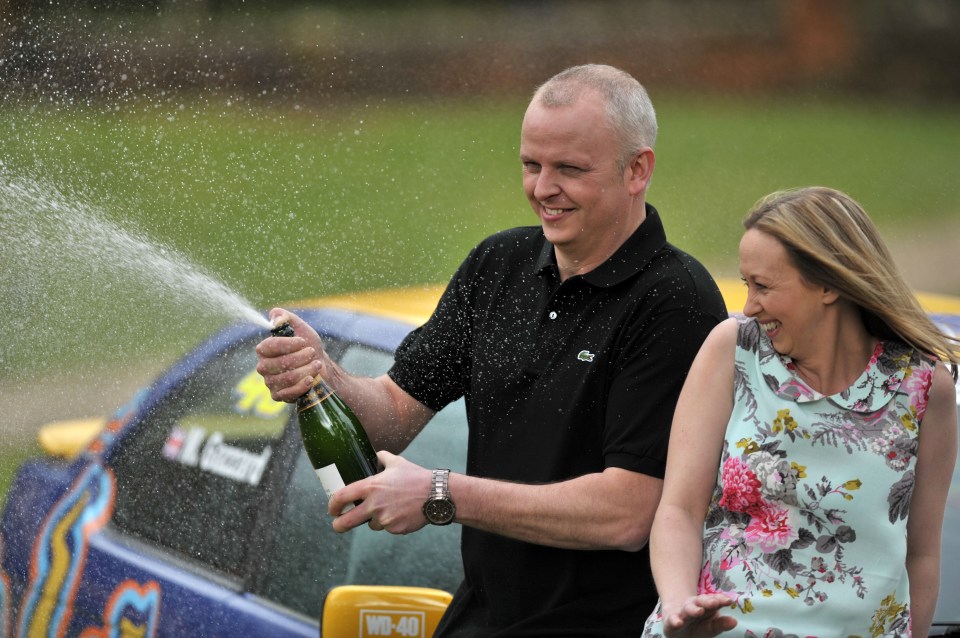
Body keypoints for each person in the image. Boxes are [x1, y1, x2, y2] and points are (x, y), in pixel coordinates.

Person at [256, 63, 727, 637]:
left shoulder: (676, 301)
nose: (543, 189)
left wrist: (440, 494)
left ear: (637, 170)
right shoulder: (496, 265)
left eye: (570, 169)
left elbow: (629, 511)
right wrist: (321, 374)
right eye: (531, 165)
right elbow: (393, 417)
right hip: (484, 616)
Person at [642, 186, 959, 638]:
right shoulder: (732, 349)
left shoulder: (924, 387)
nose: (749, 305)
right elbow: (678, 511)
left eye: (764, 286)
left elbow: (923, 555)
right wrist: (678, 606)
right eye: (746, 283)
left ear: (828, 284)